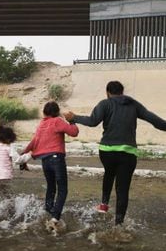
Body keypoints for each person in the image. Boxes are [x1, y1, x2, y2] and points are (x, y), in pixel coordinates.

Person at [64, 81, 166, 225]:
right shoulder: (134, 105)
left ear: (107, 92)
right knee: (122, 189)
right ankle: (119, 225)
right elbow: (156, 122)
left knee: (109, 173)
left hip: (107, 151)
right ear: (122, 91)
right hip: (128, 153)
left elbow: (93, 121)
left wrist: (74, 118)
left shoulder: (105, 104)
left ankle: (104, 205)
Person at [22, 101, 79, 230]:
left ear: (44, 112)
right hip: (56, 159)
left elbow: (34, 141)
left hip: (45, 161)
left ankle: (48, 212)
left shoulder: (41, 124)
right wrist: (72, 120)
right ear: (57, 112)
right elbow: (74, 132)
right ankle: (54, 219)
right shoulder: (57, 121)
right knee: (62, 189)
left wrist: (23, 157)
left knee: (51, 187)